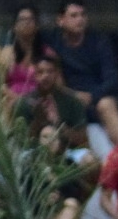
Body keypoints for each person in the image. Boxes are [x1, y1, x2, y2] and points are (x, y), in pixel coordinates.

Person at [45, 0, 118, 145]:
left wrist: (91, 96)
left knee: (106, 105)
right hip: (70, 100)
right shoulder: (53, 44)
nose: (80, 20)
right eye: (74, 16)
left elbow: (113, 79)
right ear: (60, 20)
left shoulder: (100, 42)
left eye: (83, 15)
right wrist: (74, 96)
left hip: (99, 99)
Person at [15, 52, 102, 191]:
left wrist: (58, 123)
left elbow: (81, 138)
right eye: (40, 72)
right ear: (34, 74)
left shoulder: (71, 100)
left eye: (50, 71)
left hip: (67, 151)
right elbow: (19, 142)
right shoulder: (24, 103)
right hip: (34, 153)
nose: (45, 76)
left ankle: (77, 203)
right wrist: (38, 122)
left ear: (57, 73)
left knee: (92, 163)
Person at [0, 5, 48, 100]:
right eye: (22, 19)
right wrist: (20, 101)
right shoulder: (5, 53)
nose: (27, 23)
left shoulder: (47, 54)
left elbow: (56, 85)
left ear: (37, 25)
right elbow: (0, 86)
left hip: (39, 103)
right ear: (14, 26)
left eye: (30, 19)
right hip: (12, 102)